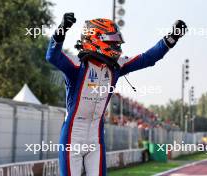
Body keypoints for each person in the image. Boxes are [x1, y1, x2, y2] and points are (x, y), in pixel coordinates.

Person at [46, 12, 187, 176]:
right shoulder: (77, 65)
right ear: (96, 39)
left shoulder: (116, 66)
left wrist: (172, 38)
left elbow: (148, 58)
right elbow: (52, 56)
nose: (117, 46)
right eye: (112, 41)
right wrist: (62, 29)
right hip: (72, 137)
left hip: (96, 138)